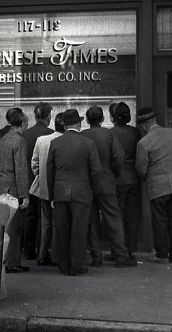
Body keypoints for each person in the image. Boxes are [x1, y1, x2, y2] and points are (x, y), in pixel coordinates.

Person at [46, 108, 103, 276]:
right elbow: (96, 170)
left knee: (61, 230)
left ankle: (63, 265)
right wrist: (92, 190)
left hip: (60, 192)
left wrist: (51, 195)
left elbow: (49, 171)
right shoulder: (88, 143)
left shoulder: (55, 143)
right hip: (82, 192)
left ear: (64, 124)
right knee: (79, 230)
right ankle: (77, 265)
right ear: (79, 123)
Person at [81, 105, 136, 268]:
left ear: (88, 119)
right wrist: (115, 173)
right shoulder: (109, 134)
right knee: (113, 218)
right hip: (107, 181)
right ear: (102, 119)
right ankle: (121, 255)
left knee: (92, 221)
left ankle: (96, 257)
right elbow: (119, 158)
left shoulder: (83, 135)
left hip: (88, 183)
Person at [135, 106, 172, 263]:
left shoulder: (143, 143)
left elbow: (141, 170)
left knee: (160, 221)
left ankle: (162, 255)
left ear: (143, 124)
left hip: (158, 187)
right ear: (155, 120)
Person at [0, 107, 30, 273]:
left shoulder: (2, 139)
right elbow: (21, 169)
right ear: (22, 123)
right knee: (14, 228)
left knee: (5, 226)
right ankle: (12, 262)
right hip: (13, 188)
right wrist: (24, 195)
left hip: (1, 186)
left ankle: (5, 259)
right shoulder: (19, 140)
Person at [30, 112, 64, 266]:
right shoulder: (66, 140)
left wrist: (42, 177)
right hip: (61, 189)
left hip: (44, 189)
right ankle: (57, 255)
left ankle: (42, 254)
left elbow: (34, 163)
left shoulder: (41, 140)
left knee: (46, 223)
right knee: (60, 223)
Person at [109, 101, 142, 258]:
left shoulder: (111, 133)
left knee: (118, 217)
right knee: (132, 216)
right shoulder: (136, 132)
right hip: (133, 178)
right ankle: (130, 249)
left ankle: (118, 251)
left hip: (117, 179)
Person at [22, 102, 53, 260]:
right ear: (48, 116)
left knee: (30, 216)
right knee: (46, 218)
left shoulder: (25, 134)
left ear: (35, 116)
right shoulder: (51, 134)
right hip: (45, 183)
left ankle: (28, 250)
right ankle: (43, 251)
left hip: (27, 181)